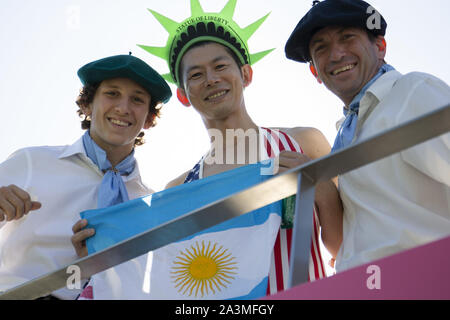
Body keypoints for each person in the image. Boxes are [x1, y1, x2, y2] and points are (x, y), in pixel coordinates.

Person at [146, 0, 343, 295]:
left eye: (220, 66)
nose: (211, 80)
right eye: (196, 75)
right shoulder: (177, 188)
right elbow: (169, 278)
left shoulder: (304, 141)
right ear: (184, 95)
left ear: (246, 75)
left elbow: (342, 243)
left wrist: (320, 183)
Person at [284, 0, 450, 272]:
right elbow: (358, 241)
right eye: (321, 48)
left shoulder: (412, 91)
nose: (336, 55)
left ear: (380, 46)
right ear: (315, 71)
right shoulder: (348, 130)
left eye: (347, 37)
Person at [0, 54, 172, 299]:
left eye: (137, 99)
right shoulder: (32, 161)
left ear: (149, 119)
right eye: (112, 93)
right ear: (87, 105)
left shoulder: (151, 206)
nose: (123, 108)